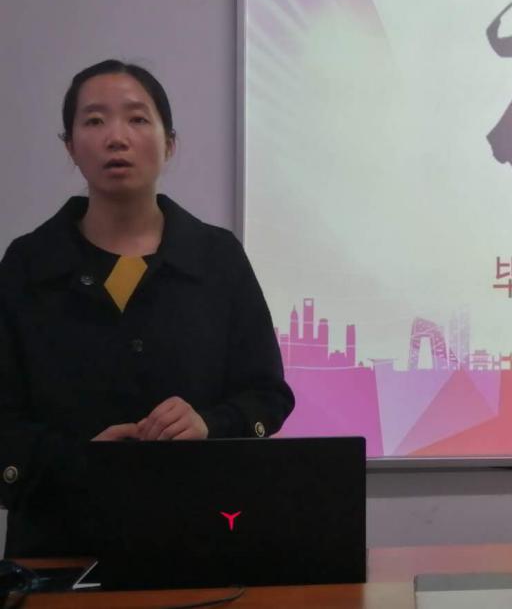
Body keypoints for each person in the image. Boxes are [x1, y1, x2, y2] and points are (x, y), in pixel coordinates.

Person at [0, 60, 295, 556]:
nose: (116, 138)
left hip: (200, 536)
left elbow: (268, 395)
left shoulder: (217, 257)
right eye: (95, 121)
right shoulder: (27, 265)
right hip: (59, 546)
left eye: (137, 119)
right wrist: (80, 459)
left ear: (169, 143)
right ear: (70, 146)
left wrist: (209, 424)